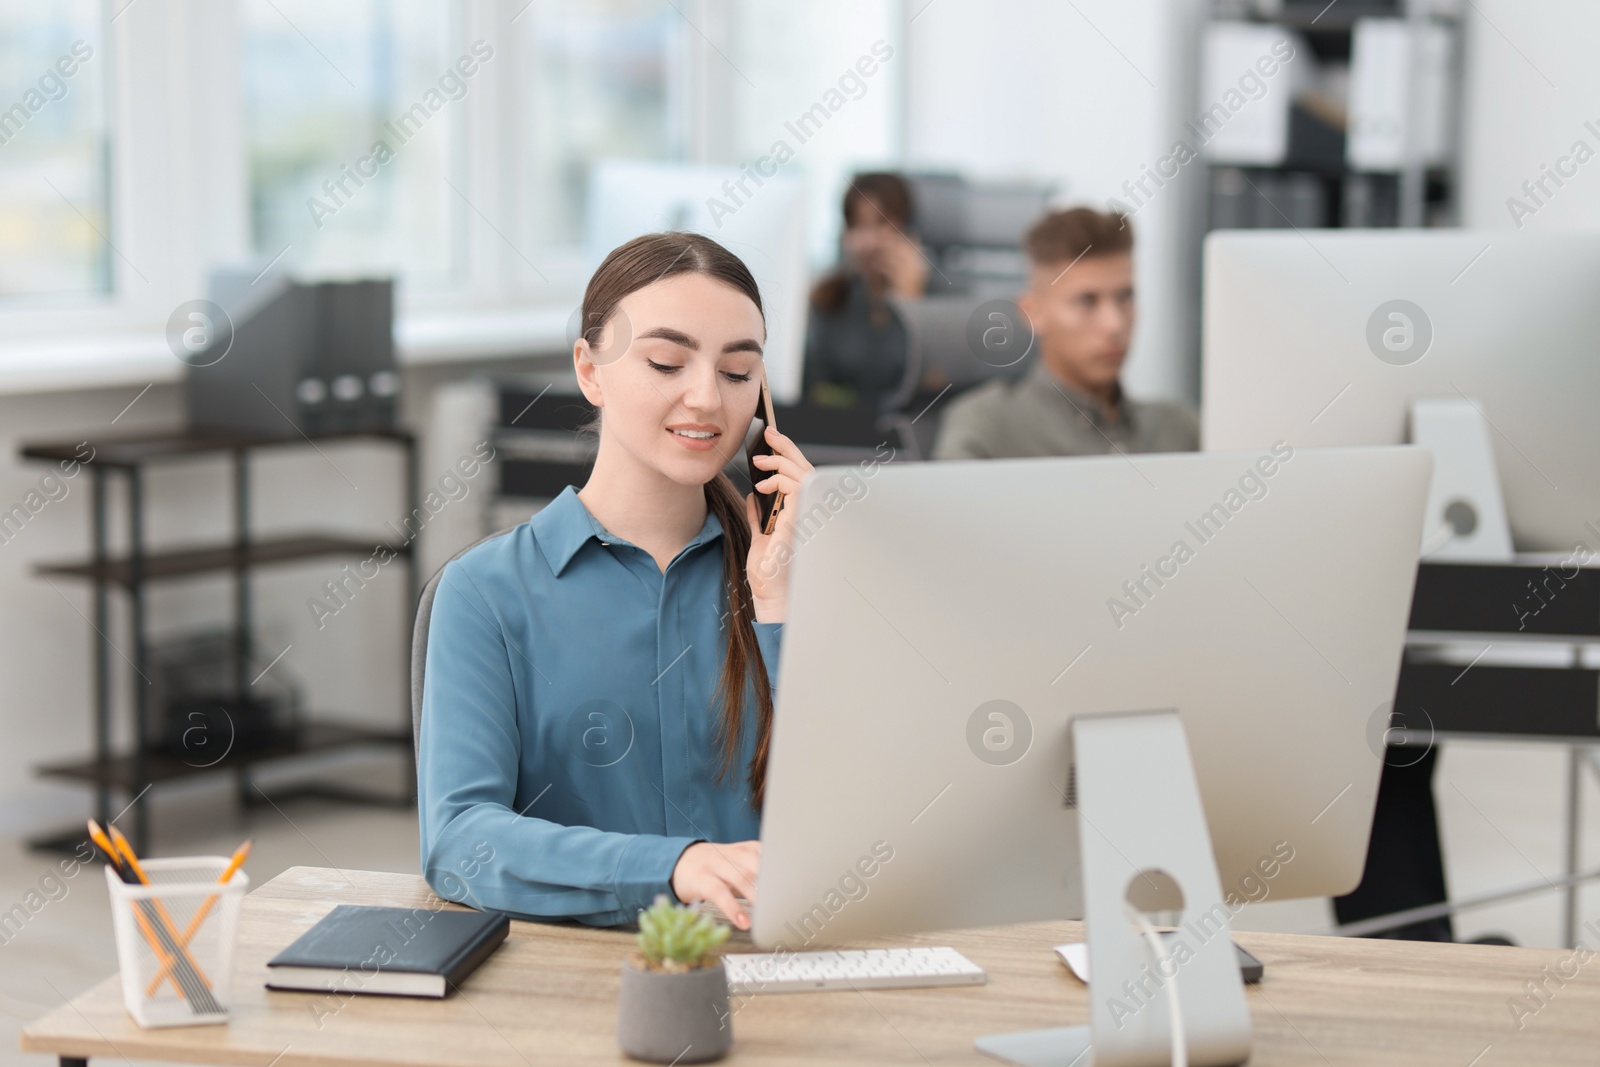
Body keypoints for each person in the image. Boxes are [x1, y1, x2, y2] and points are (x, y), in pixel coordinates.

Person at [418, 232, 813, 931]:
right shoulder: (485, 592)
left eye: (737, 372)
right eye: (666, 361)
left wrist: (781, 605)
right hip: (575, 989)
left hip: (774, 971)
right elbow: (460, 840)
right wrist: (671, 865)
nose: (707, 398)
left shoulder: (794, 575)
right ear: (590, 370)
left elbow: (854, 824)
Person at [931, 207, 1199, 460]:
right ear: (1033, 313)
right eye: (1087, 301)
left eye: (1125, 297)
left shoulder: (1177, 430)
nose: (1114, 324)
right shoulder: (988, 427)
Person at [803, 172, 930, 411]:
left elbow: (924, 386)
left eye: (882, 224)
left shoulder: (942, 303)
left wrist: (911, 307)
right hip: (848, 433)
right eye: (858, 226)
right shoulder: (830, 299)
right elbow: (817, 388)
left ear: (909, 232)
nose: (868, 241)